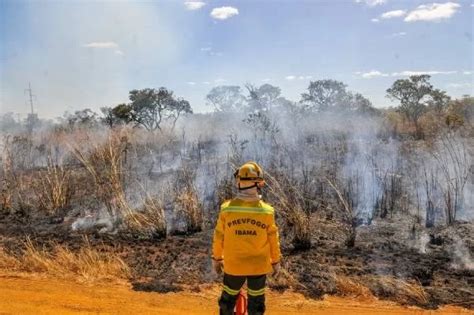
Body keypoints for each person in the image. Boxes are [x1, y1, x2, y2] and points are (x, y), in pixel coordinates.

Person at [212, 161, 281, 315]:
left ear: (239, 182)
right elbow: (273, 241)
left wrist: (217, 259)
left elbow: (218, 237)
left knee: (227, 302)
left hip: (234, 266)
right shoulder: (267, 212)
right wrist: (275, 262)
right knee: (256, 305)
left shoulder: (227, 209)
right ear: (259, 184)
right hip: (258, 267)